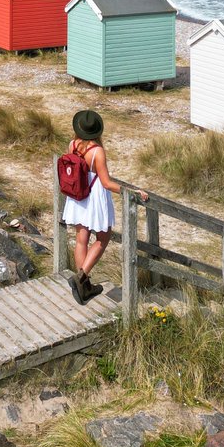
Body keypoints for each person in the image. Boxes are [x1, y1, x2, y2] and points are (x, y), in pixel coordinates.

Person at [61, 109, 148, 305]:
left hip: (77, 194)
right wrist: (132, 191)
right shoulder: (97, 152)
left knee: (81, 239)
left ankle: (84, 286)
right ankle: (81, 277)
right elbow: (107, 183)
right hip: (93, 196)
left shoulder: (72, 144)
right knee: (103, 237)